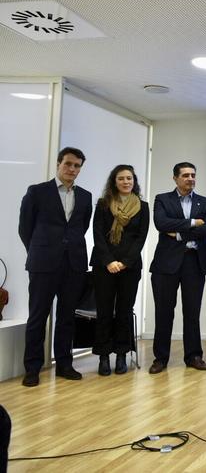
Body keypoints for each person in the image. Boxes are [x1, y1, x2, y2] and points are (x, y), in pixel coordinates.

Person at [18, 146, 92, 387]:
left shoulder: (85, 196)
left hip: (74, 264)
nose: (72, 169)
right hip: (43, 263)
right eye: (68, 164)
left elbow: (81, 227)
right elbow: (25, 228)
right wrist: (40, 251)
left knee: (67, 317)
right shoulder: (37, 192)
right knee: (38, 317)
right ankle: (32, 368)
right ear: (58, 164)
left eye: (77, 165)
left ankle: (64, 364)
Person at [149, 162, 206, 374]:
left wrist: (178, 233)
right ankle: (160, 358)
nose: (190, 179)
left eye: (193, 175)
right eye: (185, 175)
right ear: (175, 178)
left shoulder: (205, 202)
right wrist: (193, 223)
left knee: (192, 312)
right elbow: (161, 224)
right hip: (166, 263)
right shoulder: (162, 199)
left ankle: (194, 356)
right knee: (163, 312)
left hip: (194, 262)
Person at [90, 164, 149, 376]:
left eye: (129, 178)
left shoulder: (143, 206)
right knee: (104, 312)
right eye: (121, 178)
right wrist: (109, 261)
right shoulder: (103, 204)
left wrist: (124, 262)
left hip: (130, 266)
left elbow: (141, 237)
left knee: (124, 311)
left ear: (134, 181)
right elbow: (97, 234)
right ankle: (104, 356)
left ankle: (122, 354)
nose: (126, 182)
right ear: (114, 182)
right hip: (103, 265)